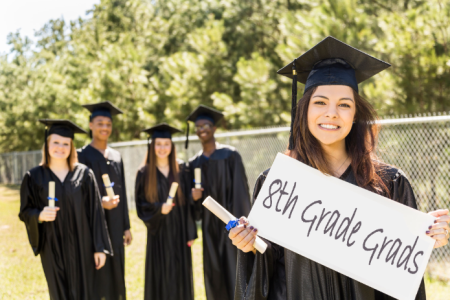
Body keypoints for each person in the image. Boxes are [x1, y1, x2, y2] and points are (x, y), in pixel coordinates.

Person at [227, 36, 450, 300]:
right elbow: (270, 265)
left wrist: (427, 238)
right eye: (320, 102)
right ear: (304, 110)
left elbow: (401, 274)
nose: (332, 113)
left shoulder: (389, 182)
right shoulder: (279, 183)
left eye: (344, 104)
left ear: (355, 114)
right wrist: (249, 246)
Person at [19, 119, 112, 300]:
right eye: (56, 142)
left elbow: (96, 213)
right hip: (52, 246)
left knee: (86, 292)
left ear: (71, 147)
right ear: (47, 144)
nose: (60, 147)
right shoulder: (34, 176)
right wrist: (39, 216)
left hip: (82, 245)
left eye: (65, 144)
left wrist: (100, 248)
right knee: (59, 293)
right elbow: (25, 211)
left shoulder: (84, 174)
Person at [185, 105, 251, 300]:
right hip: (208, 227)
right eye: (197, 126)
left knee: (234, 270)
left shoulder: (230, 155)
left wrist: (241, 222)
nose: (201, 129)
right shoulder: (194, 163)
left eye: (205, 125)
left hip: (231, 223)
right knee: (213, 273)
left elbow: (241, 192)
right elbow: (194, 209)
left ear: (214, 128)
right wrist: (193, 198)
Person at [135, 123, 197, 300]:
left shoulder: (182, 170)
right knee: (160, 274)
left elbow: (187, 206)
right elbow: (140, 205)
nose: (162, 148)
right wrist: (158, 209)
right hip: (158, 233)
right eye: (158, 144)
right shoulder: (144, 172)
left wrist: (190, 232)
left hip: (179, 232)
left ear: (172, 146)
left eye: (166, 144)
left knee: (180, 274)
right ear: (152, 146)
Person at [77, 101, 131, 300]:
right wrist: (100, 202)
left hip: (116, 223)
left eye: (108, 123)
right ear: (90, 125)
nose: (105, 127)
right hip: (93, 225)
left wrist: (126, 226)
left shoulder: (116, 156)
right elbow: (78, 194)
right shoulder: (81, 156)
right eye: (100, 123)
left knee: (117, 269)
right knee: (98, 272)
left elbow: (123, 193)